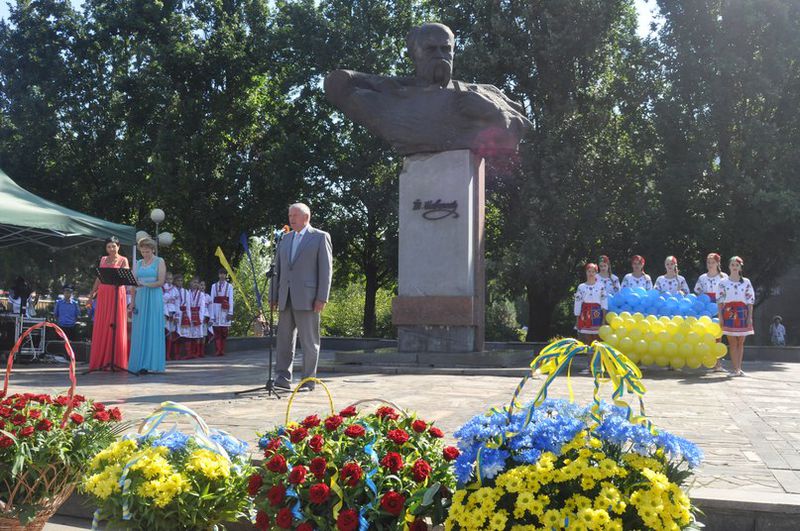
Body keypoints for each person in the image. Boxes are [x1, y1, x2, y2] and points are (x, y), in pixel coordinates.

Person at [269, 203, 333, 392]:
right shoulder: (285, 239)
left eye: (295, 215)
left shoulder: (320, 237)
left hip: (308, 298)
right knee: (283, 341)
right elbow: (277, 269)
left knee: (309, 342)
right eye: (290, 215)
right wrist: (273, 295)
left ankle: (308, 381)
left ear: (306, 217)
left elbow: (326, 270)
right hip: (285, 297)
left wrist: (322, 297)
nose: (291, 218)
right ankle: (282, 378)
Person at [88, 237, 130, 370]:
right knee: (103, 323)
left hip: (117, 293)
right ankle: (101, 360)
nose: (111, 249)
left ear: (118, 246)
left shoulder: (123, 260)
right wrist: (91, 294)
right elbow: (99, 278)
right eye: (108, 247)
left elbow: (126, 277)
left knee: (115, 323)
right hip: (104, 293)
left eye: (113, 246)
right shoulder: (103, 260)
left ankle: (116, 360)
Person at [128, 237, 167, 374]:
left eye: (147, 251)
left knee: (153, 328)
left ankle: (153, 363)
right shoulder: (138, 263)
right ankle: (140, 363)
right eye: (143, 251)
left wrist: (145, 284)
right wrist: (132, 302)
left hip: (154, 296)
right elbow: (133, 283)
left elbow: (161, 281)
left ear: (152, 250)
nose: (145, 254)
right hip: (141, 297)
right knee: (140, 329)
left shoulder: (159, 261)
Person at [717, 256, 755, 377]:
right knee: (732, 342)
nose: (734, 267)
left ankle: (739, 368)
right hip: (728, 311)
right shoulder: (723, 282)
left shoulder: (746, 282)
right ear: (729, 266)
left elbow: (750, 300)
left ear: (740, 267)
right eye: (732, 265)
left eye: (737, 265)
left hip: (742, 311)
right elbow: (719, 300)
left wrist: (749, 316)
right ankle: (735, 369)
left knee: (741, 342)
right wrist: (721, 317)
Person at [694, 252, 728, 372]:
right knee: (707, 334)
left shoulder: (723, 277)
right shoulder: (702, 278)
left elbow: (727, 292)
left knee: (718, 333)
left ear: (718, 263)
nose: (710, 264)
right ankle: (708, 361)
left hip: (719, 305)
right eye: (708, 262)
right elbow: (698, 292)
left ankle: (718, 363)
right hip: (706, 306)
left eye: (712, 262)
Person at [574, 263, 607, 343]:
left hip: (597, 314)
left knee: (598, 340)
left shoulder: (601, 286)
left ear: (596, 273)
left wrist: (604, 319)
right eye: (589, 271)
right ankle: (588, 355)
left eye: (593, 272)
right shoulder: (581, 287)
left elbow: (604, 302)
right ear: (586, 272)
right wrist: (577, 319)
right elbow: (577, 303)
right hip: (585, 315)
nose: (591, 274)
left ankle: (596, 355)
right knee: (586, 340)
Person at [178, 276, 207, 359]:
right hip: (189, 314)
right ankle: (189, 353)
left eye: (197, 283)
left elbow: (202, 307)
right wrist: (189, 318)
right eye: (194, 282)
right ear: (190, 283)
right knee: (189, 335)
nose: (195, 284)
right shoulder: (188, 293)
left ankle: (196, 352)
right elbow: (187, 306)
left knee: (197, 335)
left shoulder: (201, 294)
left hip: (198, 315)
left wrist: (200, 319)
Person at [209, 269, 234, 356]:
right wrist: (211, 315)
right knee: (217, 330)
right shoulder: (213, 286)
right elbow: (212, 300)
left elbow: (231, 299)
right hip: (216, 309)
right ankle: (218, 350)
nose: (222, 275)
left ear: (226, 275)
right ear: (218, 275)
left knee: (224, 330)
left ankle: (222, 349)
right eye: (221, 274)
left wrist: (230, 312)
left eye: (224, 274)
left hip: (225, 310)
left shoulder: (229, 286)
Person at [162, 272, 181, 360]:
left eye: (171, 279)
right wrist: (166, 313)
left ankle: (168, 355)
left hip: (173, 313)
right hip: (164, 313)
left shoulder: (175, 289)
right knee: (164, 333)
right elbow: (162, 301)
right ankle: (162, 354)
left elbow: (177, 303)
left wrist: (177, 316)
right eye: (167, 279)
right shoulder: (162, 288)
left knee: (170, 333)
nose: (169, 281)